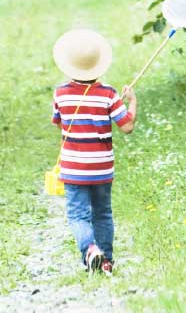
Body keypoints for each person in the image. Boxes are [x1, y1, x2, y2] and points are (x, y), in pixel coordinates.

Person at [51, 28, 137, 275]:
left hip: (74, 167)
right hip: (101, 167)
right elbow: (127, 126)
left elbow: (57, 122)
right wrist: (131, 101)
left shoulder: (61, 93)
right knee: (103, 213)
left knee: (78, 215)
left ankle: (90, 250)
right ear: (99, 65)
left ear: (69, 66)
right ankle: (106, 259)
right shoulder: (109, 94)